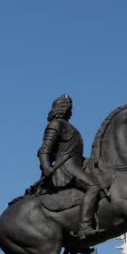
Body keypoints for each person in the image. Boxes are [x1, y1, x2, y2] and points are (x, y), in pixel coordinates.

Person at [36, 94, 103, 240]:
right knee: (93, 187)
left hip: (75, 165)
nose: (71, 111)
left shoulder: (70, 127)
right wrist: (46, 166)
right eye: (69, 107)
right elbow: (44, 150)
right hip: (65, 169)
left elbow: (74, 152)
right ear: (62, 108)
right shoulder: (55, 125)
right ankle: (85, 226)